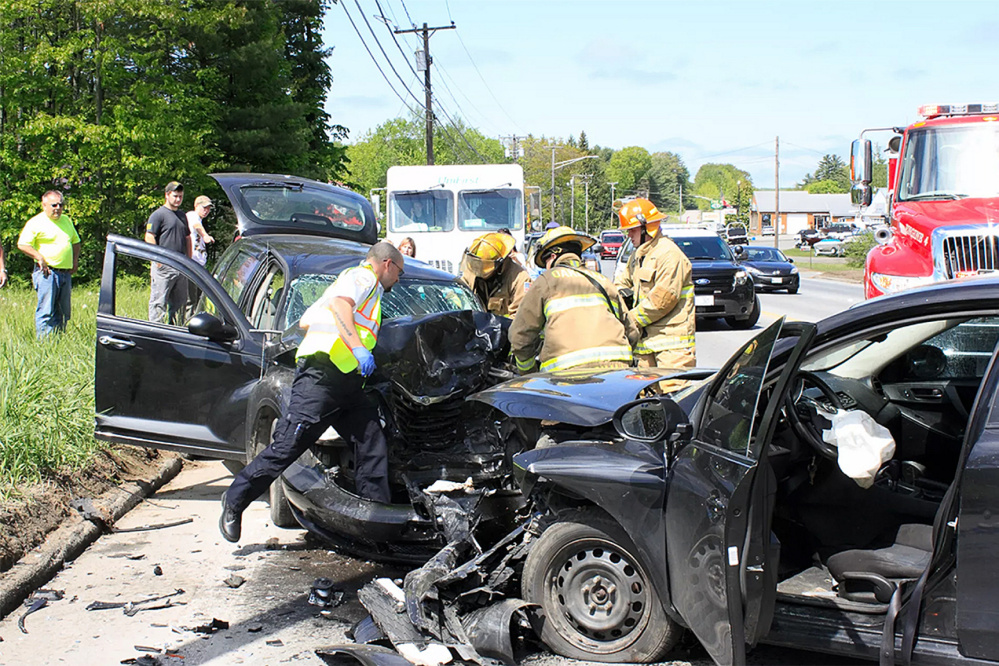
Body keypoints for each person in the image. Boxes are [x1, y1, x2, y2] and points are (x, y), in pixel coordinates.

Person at [219, 242, 405, 543]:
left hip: (349, 383)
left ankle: (375, 527)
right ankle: (234, 500)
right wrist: (357, 347)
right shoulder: (363, 277)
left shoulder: (369, 294)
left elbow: (306, 319)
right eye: (399, 272)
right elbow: (342, 304)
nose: (399, 280)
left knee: (372, 441)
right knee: (288, 447)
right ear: (388, 264)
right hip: (321, 377)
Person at [509, 226, 637, 374]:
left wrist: (528, 372)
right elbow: (632, 332)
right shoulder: (604, 281)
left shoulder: (546, 281)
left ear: (552, 256)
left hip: (567, 376)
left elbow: (519, 337)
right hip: (617, 371)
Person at [614, 198, 696, 372]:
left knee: (673, 393)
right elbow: (622, 282)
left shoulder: (669, 254)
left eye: (633, 230)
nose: (629, 235)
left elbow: (662, 301)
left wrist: (629, 320)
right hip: (644, 345)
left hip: (671, 347)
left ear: (647, 227)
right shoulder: (638, 255)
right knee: (644, 396)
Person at [16, 191, 81, 338]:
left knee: (64, 311)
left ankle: (59, 340)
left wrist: (75, 261)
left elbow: (76, 242)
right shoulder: (36, 222)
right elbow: (23, 244)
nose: (57, 208)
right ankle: (44, 343)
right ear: (44, 205)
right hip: (47, 273)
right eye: (54, 205)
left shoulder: (66, 220)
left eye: (60, 204)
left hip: (65, 273)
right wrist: (39, 257)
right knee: (46, 310)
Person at [145, 181, 191, 325]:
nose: (178, 199)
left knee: (180, 303)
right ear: (167, 195)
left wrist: (189, 260)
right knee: (159, 302)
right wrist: (158, 260)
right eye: (175, 196)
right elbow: (149, 236)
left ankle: (177, 329)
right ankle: (156, 330)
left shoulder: (182, 215)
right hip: (164, 267)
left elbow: (188, 238)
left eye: (180, 197)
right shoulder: (158, 215)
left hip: (181, 265)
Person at [459, 231, 530, 318]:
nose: (479, 270)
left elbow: (521, 317)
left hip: (505, 330)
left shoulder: (520, 279)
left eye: (484, 267)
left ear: (499, 264)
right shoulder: (472, 271)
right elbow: (457, 296)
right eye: (477, 265)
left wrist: (496, 328)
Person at [186, 195, 215, 315]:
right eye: (204, 208)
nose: (206, 211)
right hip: (191, 264)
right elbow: (196, 226)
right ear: (196, 206)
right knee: (190, 300)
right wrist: (205, 236)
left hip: (199, 265)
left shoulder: (199, 219)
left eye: (208, 208)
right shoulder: (192, 216)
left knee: (199, 299)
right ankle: (186, 324)